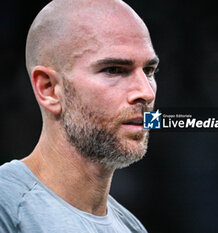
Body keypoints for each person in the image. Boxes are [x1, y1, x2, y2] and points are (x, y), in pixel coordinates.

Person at [0, 0, 159, 232]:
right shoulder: (7, 207)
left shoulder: (131, 228)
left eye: (149, 71)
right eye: (114, 70)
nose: (145, 92)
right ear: (49, 89)